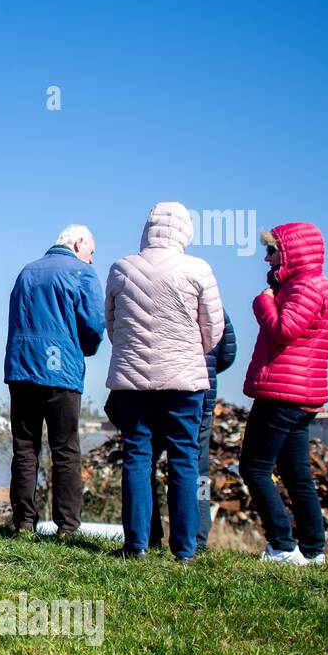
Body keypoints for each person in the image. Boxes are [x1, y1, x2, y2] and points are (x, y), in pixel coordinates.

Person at [104, 202, 223, 562]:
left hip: (132, 383)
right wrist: (186, 352)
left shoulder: (121, 268)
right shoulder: (198, 269)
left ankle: (136, 545)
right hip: (185, 383)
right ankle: (185, 551)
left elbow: (112, 327)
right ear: (185, 231)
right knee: (185, 460)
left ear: (148, 228)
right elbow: (213, 331)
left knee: (137, 458)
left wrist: (136, 353)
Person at [239, 224, 328, 565]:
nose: (266, 258)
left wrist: (262, 301)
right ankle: (312, 551)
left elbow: (284, 329)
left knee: (254, 468)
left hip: (281, 394)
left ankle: (281, 545)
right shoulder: (306, 284)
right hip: (298, 395)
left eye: (272, 250)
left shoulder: (307, 285)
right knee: (296, 474)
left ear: (292, 253)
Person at [3, 224, 105, 536]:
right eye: (91, 253)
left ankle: (23, 522)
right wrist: (84, 349)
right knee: (65, 449)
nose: (91, 260)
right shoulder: (83, 274)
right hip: (62, 373)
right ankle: (67, 526)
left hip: (22, 368)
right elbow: (94, 326)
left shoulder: (27, 272)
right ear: (78, 243)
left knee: (25, 447)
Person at [149, 311, 236, 551]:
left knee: (146, 465)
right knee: (198, 471)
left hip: (156, 394)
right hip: (200, 396)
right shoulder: (216, 309)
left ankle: (149, 535)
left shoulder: (160, 299)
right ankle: (196, 538)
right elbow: (228, 354)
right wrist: (204, 370)